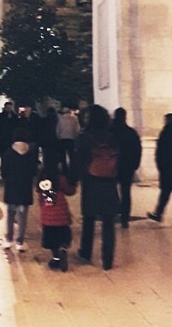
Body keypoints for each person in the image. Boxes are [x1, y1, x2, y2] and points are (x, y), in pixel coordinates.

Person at [73, 104, 119, 270]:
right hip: (109, 182)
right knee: (108, 222)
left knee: (89, 218)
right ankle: (107, 259)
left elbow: (78, 160)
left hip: (91, 182)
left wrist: (73, 179)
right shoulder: (112, 137)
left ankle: (86, 252)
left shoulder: (84, 137)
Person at [0, 127, 38, 252]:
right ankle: (20, 241)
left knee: (10, 214)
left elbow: (4, 170)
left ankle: (9, 238)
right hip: (25, 187)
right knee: (22, 215)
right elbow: (34, 171)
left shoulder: (8, 152)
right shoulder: (30, 153)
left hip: (11, 186)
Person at [37, 162, 76, 272]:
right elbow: (70, 191)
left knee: (52, 240)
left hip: (48, 219)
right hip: (62, 215)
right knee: (63, 235)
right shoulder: (60, 179)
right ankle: (63, 248)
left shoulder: (42, 183)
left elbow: (42, 201)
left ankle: (56, 258)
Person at [112, 107, 142, 228]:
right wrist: (135, 164)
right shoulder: (131, 132)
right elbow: (137, 149)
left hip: (112, 165)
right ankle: (124, 218)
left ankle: (113, 212)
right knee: (126, 192)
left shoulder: (110, 131)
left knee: (111, 190)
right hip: (127, 166)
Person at [0, 101, 19, 177]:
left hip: (10, 139)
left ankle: (7, 169)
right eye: (7, 107)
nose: (9, 109)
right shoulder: (1, 116)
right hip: (2, 138)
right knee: (2, 155)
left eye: (10, 107)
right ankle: (0, 169)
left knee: (9, 155)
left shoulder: (14, 117)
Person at [56, 106, 80, 177]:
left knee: (63, 156)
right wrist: (75, 137)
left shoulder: (60, 119)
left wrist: (58, 137)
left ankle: (64, 171)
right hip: (71, 139)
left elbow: (58, 129)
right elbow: (77, 129)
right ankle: (72, 170)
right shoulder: (75, 118)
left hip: (62, 139)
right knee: (72, 155)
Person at [38, 107, 59, 171]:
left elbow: (40, 131)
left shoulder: (43, 120)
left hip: (45, 142)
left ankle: (47, 169)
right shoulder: (56, 121)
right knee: (54, 156)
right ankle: (54, 169)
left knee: (46, 157)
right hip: (55, 141)